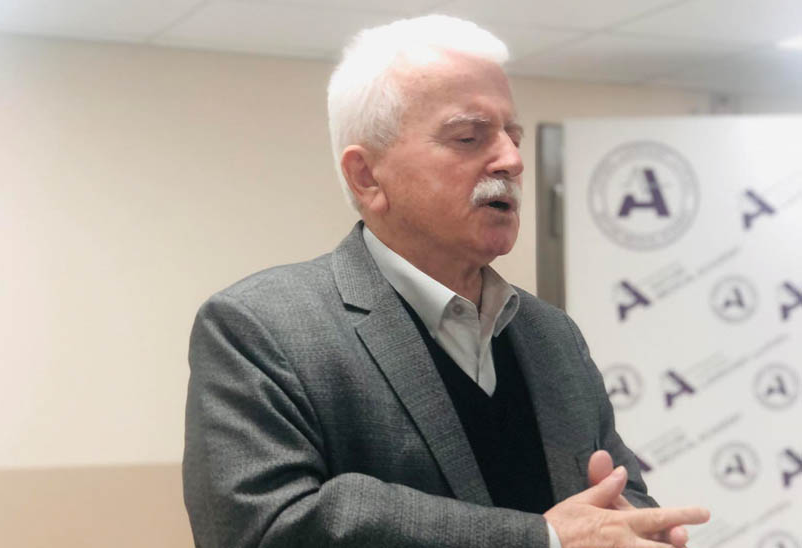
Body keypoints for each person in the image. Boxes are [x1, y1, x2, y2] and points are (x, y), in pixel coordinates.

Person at [183, 15, 709, 548]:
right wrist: (543, 538)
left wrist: (638, 531)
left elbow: (620, 502)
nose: (512, 160)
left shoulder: (553, 335)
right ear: (367, 176)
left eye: (513, 136)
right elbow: (263, 527)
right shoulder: (260, 328)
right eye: (468, 137)